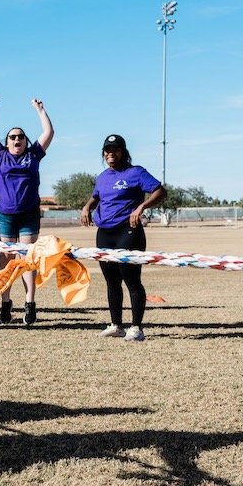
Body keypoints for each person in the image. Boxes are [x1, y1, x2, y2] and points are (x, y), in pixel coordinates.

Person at [80, 135, 166, 342]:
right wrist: (87, 206)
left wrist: (141, 206)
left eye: (115, 150)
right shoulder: (102, 177)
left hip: (128, 232)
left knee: (131, 280)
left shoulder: (136, 172)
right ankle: (116, 325)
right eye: (107, 150)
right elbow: (97, 195)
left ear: (123, 152)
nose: (110, 153)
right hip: (104, 233)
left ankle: (136, 328)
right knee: (111, 281)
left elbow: (160, 192)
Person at [0, 93, 55, 326]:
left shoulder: (33, 155)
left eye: (21, 137)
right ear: (7, 141)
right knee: (7, 259)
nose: (17, 140)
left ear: (25, 141)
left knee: (27, 259)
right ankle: (6, 303)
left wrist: (40, 110)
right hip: (5, 215)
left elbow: (48, 133)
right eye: (12, 137)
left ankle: (29, 303)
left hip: (29, 215)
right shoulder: (0, 154)